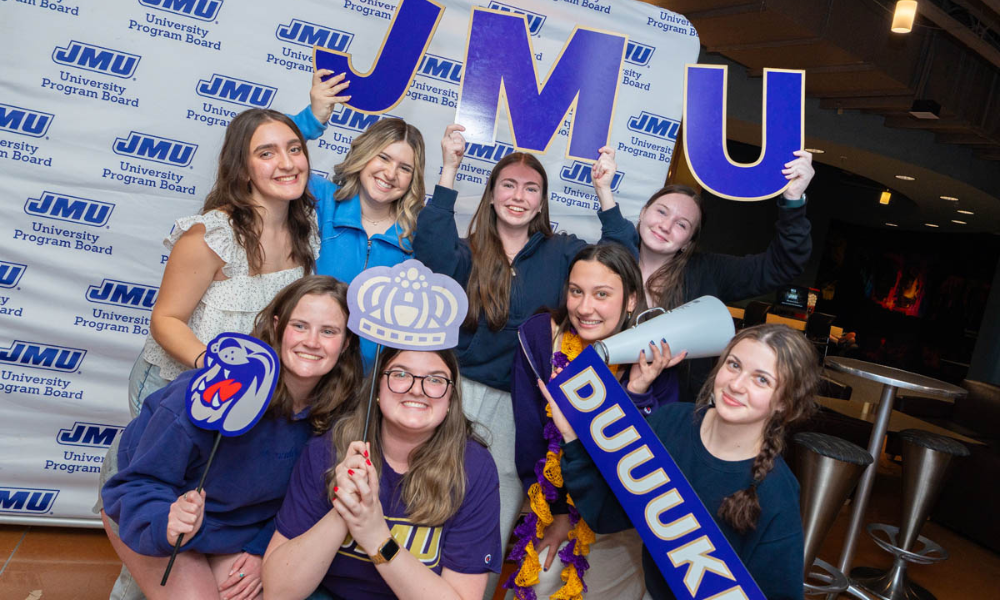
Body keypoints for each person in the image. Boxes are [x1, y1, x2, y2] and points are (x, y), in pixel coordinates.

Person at [411, 125, 639, 594]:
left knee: (493, 518)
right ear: (492, 194)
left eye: (531, 188)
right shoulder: (466, 251)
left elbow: (622, 259)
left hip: (520, 407)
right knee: (426, 499)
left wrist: (604, 192)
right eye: (508, 185)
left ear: (542, 202)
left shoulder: (563, 252)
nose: (518, 196)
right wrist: (449, 168)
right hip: (456, 393)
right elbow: (428, 252)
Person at [100, 275, 364, 600]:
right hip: (150, 499)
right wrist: (166, 521)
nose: (312, 341)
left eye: (329, 331)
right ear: (278, 326)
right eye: (299, 326)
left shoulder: (340, 414)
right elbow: (140, 482)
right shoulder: (210, 392)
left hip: (235, 525)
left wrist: (264, 548)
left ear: (346, 342)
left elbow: (306, 499)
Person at [547, 324, 820, 599]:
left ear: (784, 402)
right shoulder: (670, 423)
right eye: (734, 365)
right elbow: (606, 514)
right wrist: (572, 436)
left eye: (761, 380)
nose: (736, 385)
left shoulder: (777, 492)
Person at [508, 244, 685, 599]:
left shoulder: (655, 357)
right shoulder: (541, 338)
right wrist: (559, 515)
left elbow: (648, 468)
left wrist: (636, 392)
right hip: (556, 502)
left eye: (602, 294)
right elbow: (530, 440)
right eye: (576, 291)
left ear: (631, 300)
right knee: (539, 582)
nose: (584, 308)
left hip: (621, 517)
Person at [261, 347, 502, 600]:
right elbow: (278, 592)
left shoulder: (473, 468)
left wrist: (376, 536)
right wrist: (345, 509)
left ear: (451, 397)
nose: (417, 389)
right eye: (400, 374)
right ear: (377, 387)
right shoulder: (330, 449)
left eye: (434, 379)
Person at [130, 108, 320, 417]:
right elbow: (165, 319)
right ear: (242, 169)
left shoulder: (306, 229)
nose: (287, 163)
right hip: (172, 388)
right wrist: (217, 369)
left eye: (295, 149)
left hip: (241, 396)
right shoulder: (212, 236)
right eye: (266, 153)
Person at [635, 152, 815, 401]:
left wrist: (793, 201)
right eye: (661, 212)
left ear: (688, 242)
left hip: (672, 410)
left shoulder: (708, 272)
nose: (665, 226)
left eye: (682, 224)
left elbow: (781, 265)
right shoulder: (608, 259)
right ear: (643, 213)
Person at [288, 70, 426, 365]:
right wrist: (311, 120)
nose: (390, 174)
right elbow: (264, 161)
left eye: (405, 168)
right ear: (364, 155)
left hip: (368, 381)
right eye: (383, 158)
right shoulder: (322, 199)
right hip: (305, 362)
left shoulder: (416, 234)